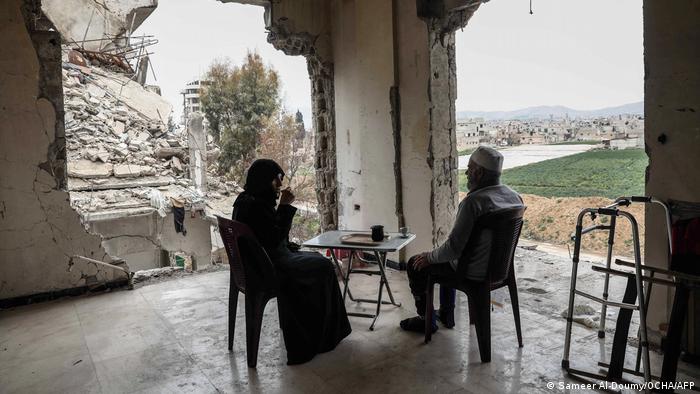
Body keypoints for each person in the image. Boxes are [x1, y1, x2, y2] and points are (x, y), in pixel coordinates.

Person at [232, 159, 352, 365]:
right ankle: (322, 336)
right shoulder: (256, 206)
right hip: (269, 269)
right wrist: (285, 207)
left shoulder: (245, 199)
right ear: (265, 180)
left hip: (258, 265)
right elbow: (274, 237)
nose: (279, 185)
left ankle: (323, 331)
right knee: (323, 266)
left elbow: (268, 236)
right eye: (277, 180)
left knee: (316, 260)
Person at [399, 146, 525, 333]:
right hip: (500, 271)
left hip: (471, 273)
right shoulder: (515, 197)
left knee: (416, 263)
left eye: (469, 168)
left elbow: (453, 250)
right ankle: (446, 314)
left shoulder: (473, 203)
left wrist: (428, 257)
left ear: (479, 172)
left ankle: (426, 319)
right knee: (443, 257)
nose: (466, 173)